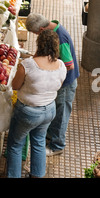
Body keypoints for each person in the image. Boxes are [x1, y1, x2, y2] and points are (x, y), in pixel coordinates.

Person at [6, 30, 67, 178]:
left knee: (15, 145)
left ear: (39, 44)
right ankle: (37, 175)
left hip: (28, 112)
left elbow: (15, 85)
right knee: (39, 142)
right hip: (49, 111)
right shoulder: (61, 66)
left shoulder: (28, 65)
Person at [25, 14, 79, 157]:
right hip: (59, 83)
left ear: (42, 29)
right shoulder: (53, 29)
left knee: (61, 114)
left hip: (66, 84)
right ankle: (50, 135)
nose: (37, 36)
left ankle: (57, 146)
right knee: (56, 110)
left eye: (36, 34)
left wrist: (52, 72)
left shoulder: (61, 38)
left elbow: (69, 65)